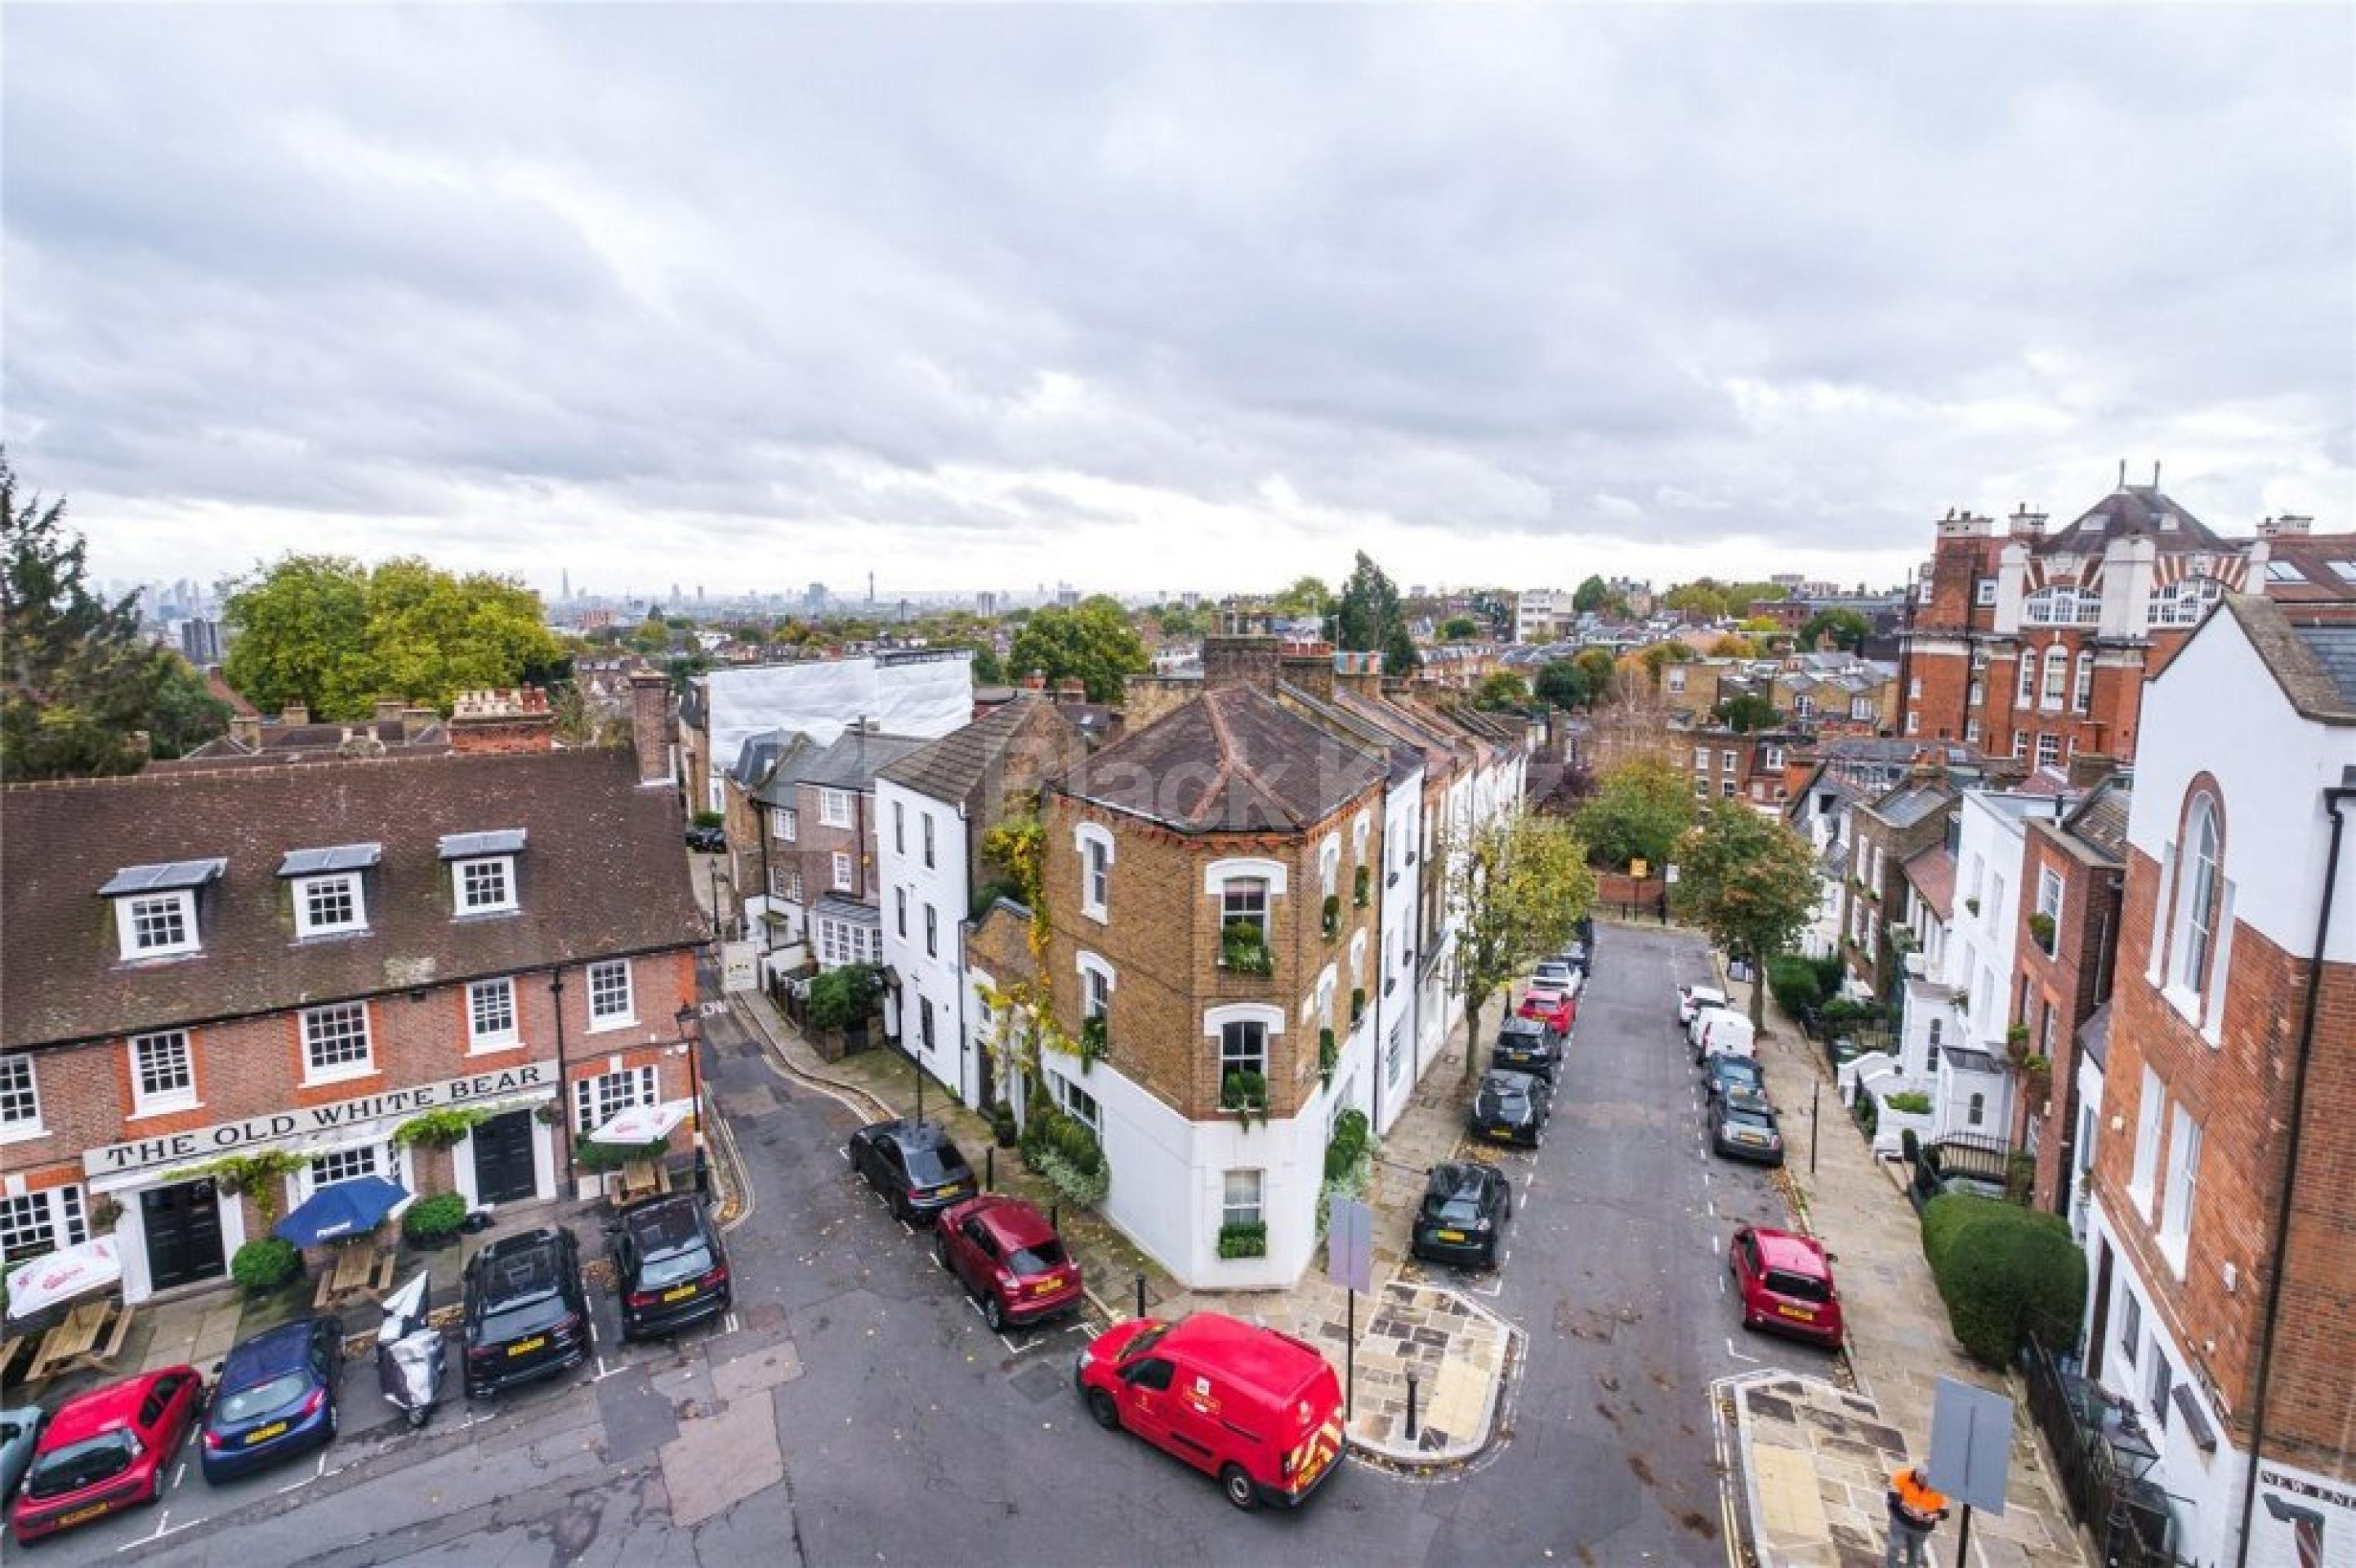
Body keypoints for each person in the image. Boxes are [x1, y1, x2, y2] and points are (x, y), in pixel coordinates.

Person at [1885, 1463, 1952, 1568]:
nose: (1924, 1480)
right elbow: (1893, 1496)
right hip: (1900, 1519)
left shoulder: (1940, 1487)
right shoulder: (1902, 1476)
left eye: (1927, 1478)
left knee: (1915, 1553)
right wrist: (1909, 1509)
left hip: (1922, 1526)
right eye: (1922, 1477)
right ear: (1916, 1473)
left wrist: (1933, 1516)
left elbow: (1945, 1513)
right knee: (1895, 1546)